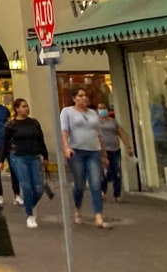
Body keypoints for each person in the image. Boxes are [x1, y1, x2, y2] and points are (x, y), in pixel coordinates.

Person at [60, 88, 110, 229]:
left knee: (96, 183)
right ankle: (78, 209)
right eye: (80, 96)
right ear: (74, 98)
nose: (84, 98)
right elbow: (64, 130)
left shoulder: (93, 113)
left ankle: (98, 216)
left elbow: (99, 134)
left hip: (93, 151)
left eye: (85, 95)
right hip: (76, 152)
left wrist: (104, 154)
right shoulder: (67, 112)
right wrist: (66, 147)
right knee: (79, 184)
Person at [0, 98, 49, 229]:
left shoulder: (34, 123)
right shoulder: (11, 125)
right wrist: (1, 160)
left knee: (39, 188)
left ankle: (30, 205)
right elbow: (5, 143)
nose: (26, 108)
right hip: (18, 157)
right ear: (17, 109)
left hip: (34, 157)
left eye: (27, 106)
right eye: (23, 106)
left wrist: (45, 156)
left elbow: (40, 139)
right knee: (26, 186)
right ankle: (30, 215)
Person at [98, 104, 134, 203]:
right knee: (104, 172)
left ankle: (117, 194)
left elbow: (122, 133)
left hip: (115, 149)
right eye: (100, 108)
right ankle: (102, 191)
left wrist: (128, 147)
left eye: (104, 108)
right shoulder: (96, 122)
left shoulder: (113, 122)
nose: (102, 110)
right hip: (102, 151)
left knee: (117, 172)